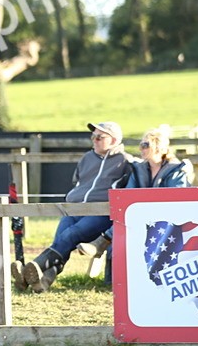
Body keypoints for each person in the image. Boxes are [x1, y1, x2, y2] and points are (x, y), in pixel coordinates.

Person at [16, 121, 133, 293]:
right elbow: (77, 181)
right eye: (93, 136)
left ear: (114, 140)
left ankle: (33, 269)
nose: (94, 140)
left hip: (100, 212)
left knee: (69, 235)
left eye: (100, 137)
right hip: (74, 208)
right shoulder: (87, 158)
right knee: (60, 240)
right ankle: (43, 281)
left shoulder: (125, 162)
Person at [77, 124, 192, 260]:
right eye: (140, 145)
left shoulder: (176, 170)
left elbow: (175, 199)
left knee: (130, 222)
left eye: (145, 145)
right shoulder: (138, 169)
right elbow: (128, 195)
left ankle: (102, 242)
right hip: (141, 217)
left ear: (158, 147)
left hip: (167, 219)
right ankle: (109, 274)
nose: (141, 149)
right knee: (124, 223)